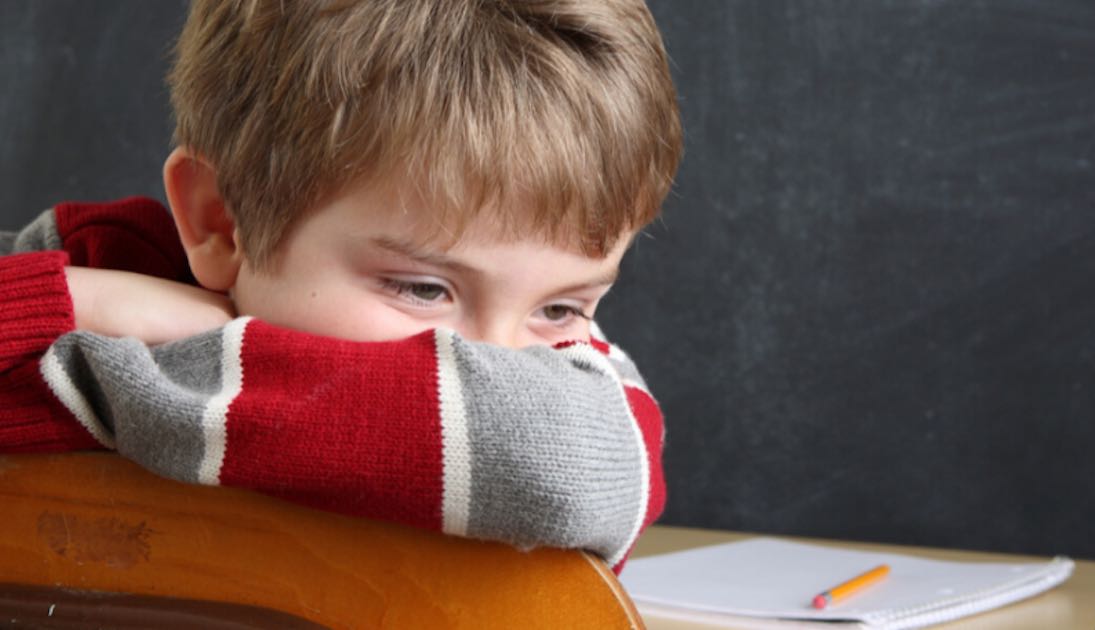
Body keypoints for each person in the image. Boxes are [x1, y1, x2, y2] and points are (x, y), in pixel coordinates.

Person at [0, 0, 681, 570]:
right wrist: (97, 294)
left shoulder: (572, 383)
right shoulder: (109, 257)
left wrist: (197, 341)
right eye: (423, 289)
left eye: (562, 306)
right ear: (222, 223)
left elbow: (581, 461)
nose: (500, 360)